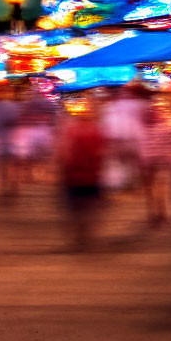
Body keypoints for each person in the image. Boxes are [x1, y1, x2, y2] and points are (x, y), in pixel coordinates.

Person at [56, 106, 106, 251]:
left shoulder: (70, 131)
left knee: (76, 209)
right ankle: (90, 236)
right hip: (92, 176)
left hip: (73, 176)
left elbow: (64, 153)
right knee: (91, 208)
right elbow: (101, 153)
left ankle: (79, 237)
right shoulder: (96, 131)